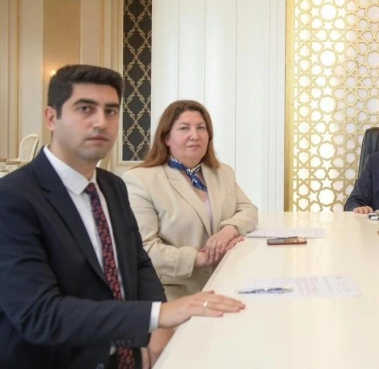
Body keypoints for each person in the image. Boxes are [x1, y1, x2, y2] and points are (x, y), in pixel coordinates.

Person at [0, 64, 244, 368]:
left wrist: (158, 326)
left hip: (126, 356)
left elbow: (138, 263)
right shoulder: (13, 197)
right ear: (52, 117)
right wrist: (157, 315)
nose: (101, 122)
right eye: (85, 109)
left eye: (111, 111)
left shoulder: (111, 185)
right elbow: (39, 315)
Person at [122, 100, 258, 300]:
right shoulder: (140, 179)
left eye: (201, 128)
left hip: (225, 283)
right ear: (166, 138)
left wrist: (229, 230)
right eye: (184, 128)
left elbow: (249, 210)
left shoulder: (222, 172)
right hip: (172, 293)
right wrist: (201, 259)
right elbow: (144, 248)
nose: (195, 135)